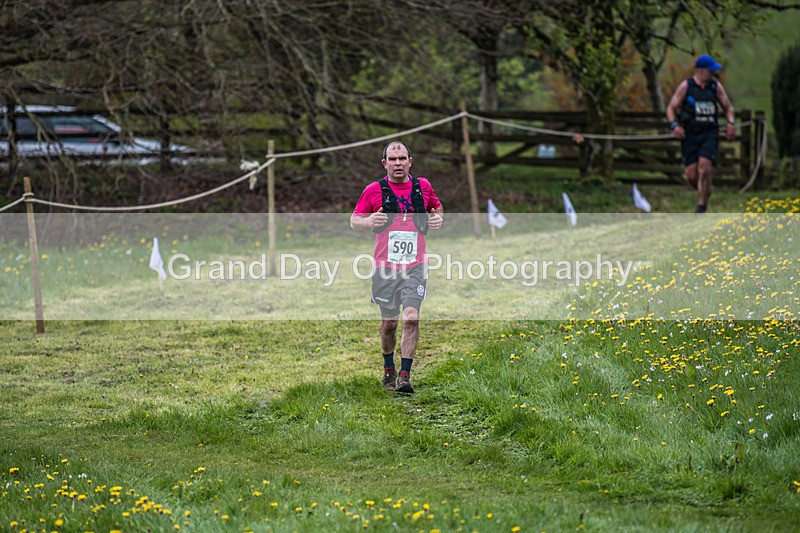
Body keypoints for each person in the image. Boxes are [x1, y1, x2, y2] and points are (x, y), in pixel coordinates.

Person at [350, 141, 444, 393]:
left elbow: (436, 207)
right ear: (385, 164)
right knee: (389, 322)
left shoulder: (422, 186)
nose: (398, 163)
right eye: (393, 159)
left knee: (411, 318)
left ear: (410, 161)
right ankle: (388, 369)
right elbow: (354, 221)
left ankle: (405, 375)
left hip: (416, 265)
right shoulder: (373, 190)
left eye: (402, 158)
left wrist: (437, 218)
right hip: (385, 267)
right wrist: (369, 220)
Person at [666, 54, 736, 213]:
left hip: (709, 133)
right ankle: (704, 191)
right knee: (691, 174)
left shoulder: (715, 87)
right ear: (701, 71)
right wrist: (674, 126)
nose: (713, 74)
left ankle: (701, 206)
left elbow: (728, 107)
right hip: (690, 135)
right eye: (710, 70)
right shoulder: (686, 87)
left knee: (705, 167)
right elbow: (671, 108)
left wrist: (730, 123)